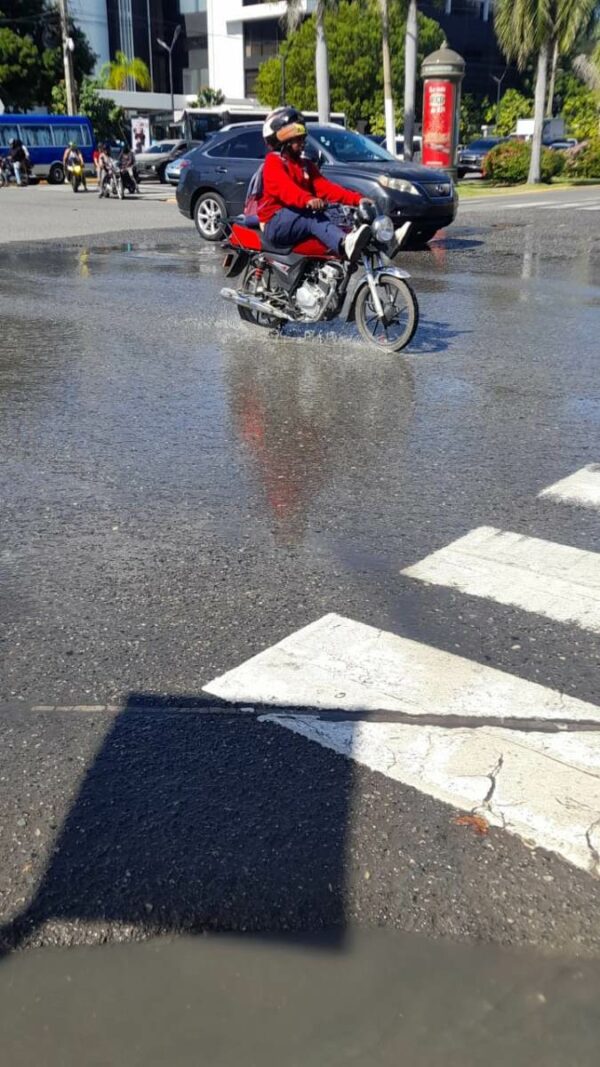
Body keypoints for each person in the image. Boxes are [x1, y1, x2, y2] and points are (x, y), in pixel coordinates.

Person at [257, 106, 371, 263]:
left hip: (296, 218)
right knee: (312, 217)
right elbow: (286, 189)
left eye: (303, 138)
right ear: (284, 139)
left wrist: (358, 200)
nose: (303, 143)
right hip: (274, 223)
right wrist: (308, 199)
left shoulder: (305, 164)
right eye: (298, 139)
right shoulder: (273, 162)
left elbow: (326, 187)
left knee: (339, 220)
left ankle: (384, 242)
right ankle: (343, 244)